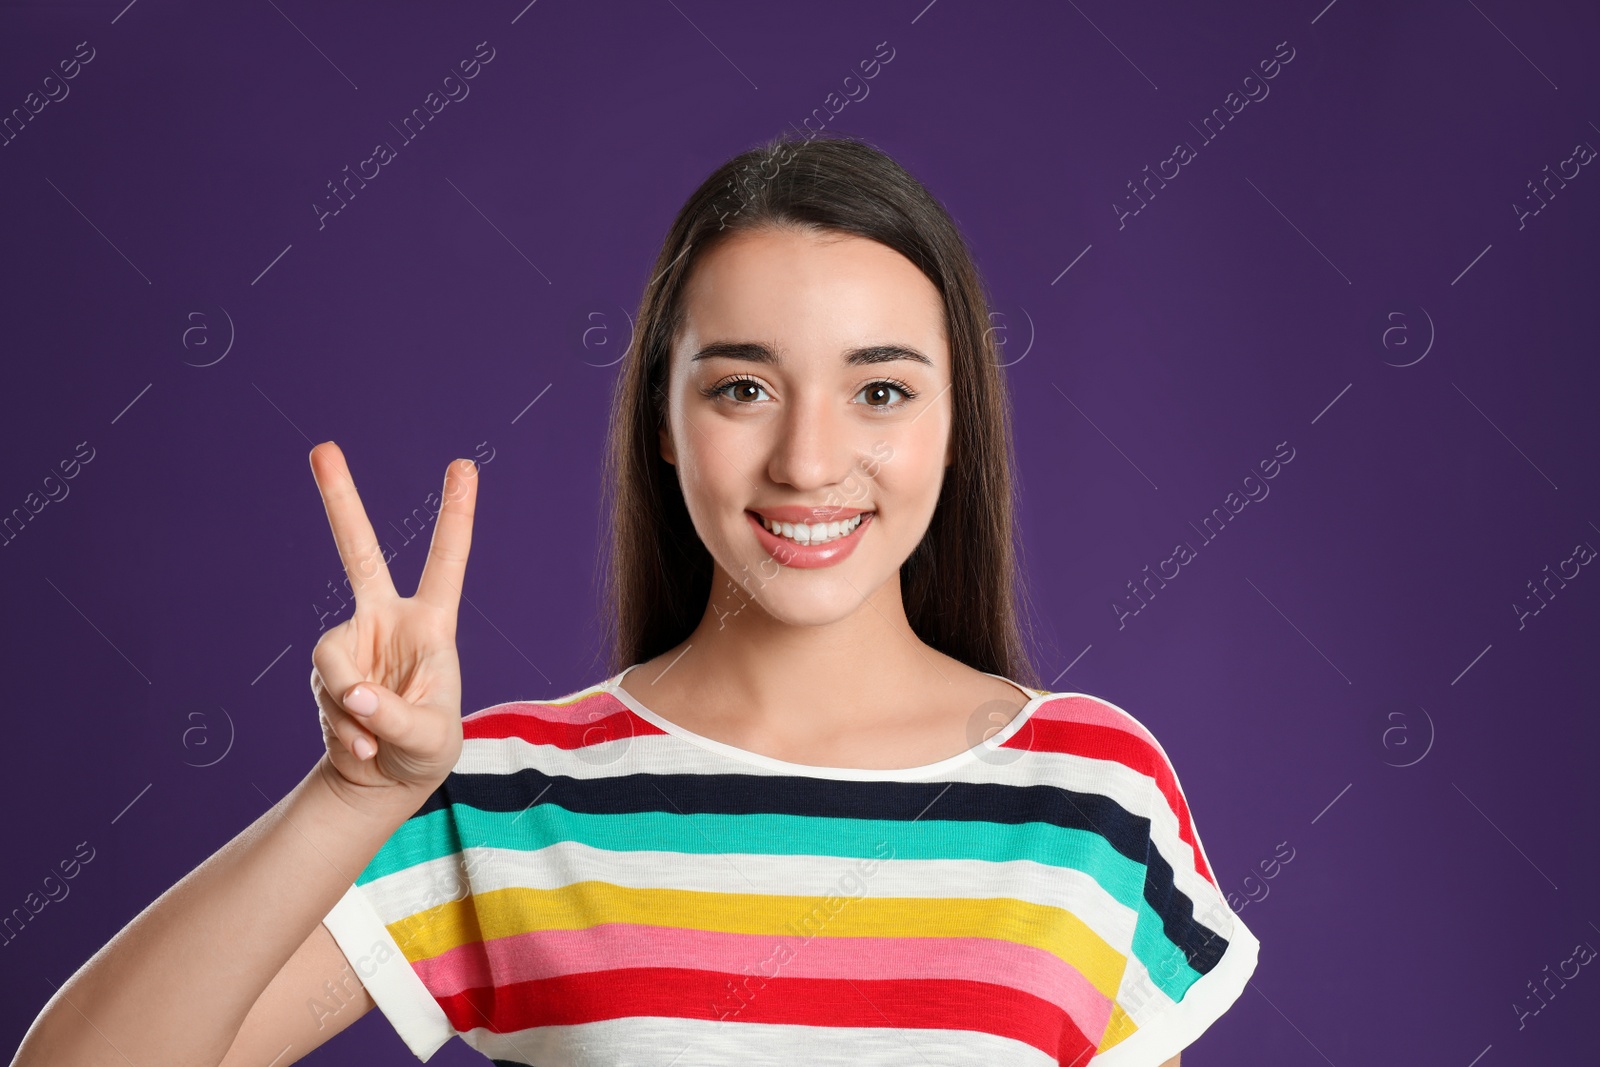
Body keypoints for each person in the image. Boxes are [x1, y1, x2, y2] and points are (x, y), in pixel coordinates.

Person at [12, 132, 1257, 1067]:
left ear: (956, 425)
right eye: (741, 389)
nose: (810, 461)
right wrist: (354, 795)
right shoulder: (507, 795)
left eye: (880, 391)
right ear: (663, 423)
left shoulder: (1092, 796)